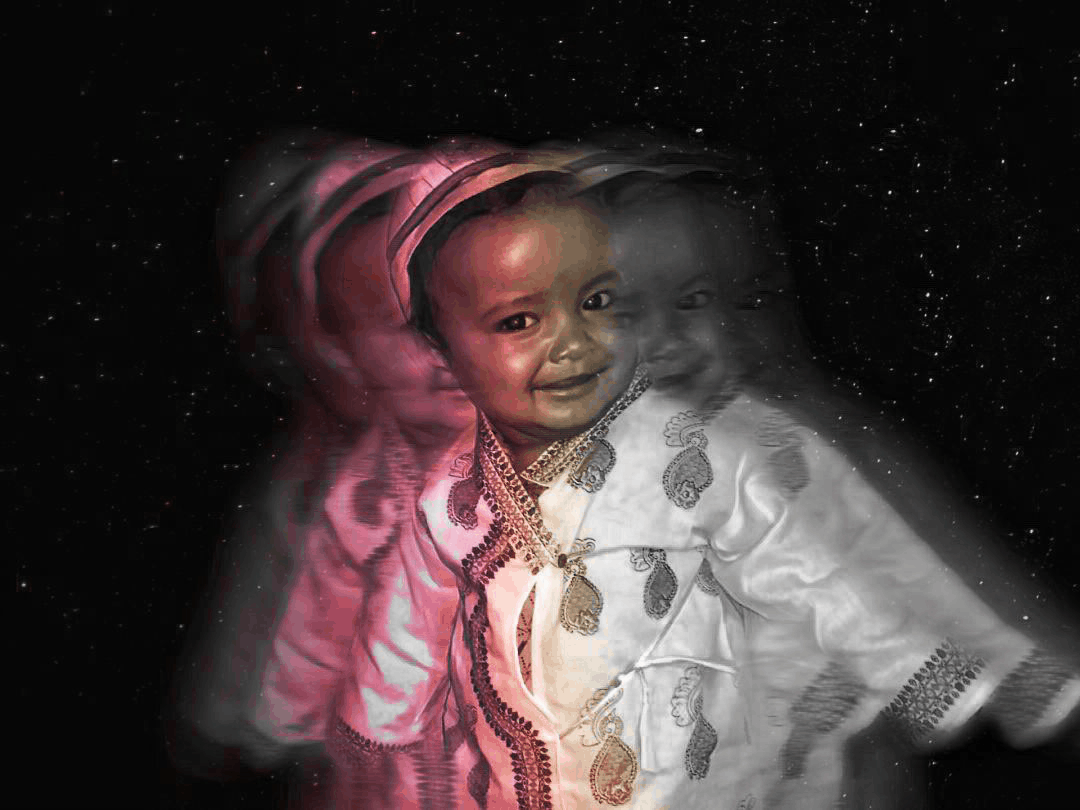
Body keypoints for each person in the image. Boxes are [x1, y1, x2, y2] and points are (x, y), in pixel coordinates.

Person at [263, 137, 1080, 809]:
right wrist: (383, 718)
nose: (680, 340)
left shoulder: (747, 449)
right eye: (623, 307)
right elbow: (415, 610)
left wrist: (944, 676)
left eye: (700, 302)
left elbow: (851, 571)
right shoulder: (462, 487)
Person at [168, 134, 475, 807]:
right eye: (404, 327)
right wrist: (285, 727)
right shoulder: (356, 492)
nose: (444, 349)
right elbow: (306, 645)